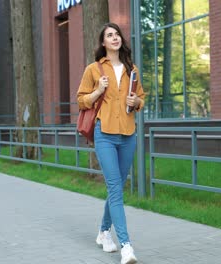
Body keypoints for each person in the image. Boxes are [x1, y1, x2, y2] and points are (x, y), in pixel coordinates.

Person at [77, 23, 145, 264]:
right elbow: (81, 100)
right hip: (104, 133)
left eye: (116, 34)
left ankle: (104, 231)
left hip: (128, 134)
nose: (114, 38)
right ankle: (126, 246)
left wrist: (136, 100)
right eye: (109, 35)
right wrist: (98, 91)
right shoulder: (94, 69)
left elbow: (142, 99)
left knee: (117, 188)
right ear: (103, 43)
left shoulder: (131, 68)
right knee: (115, 189)